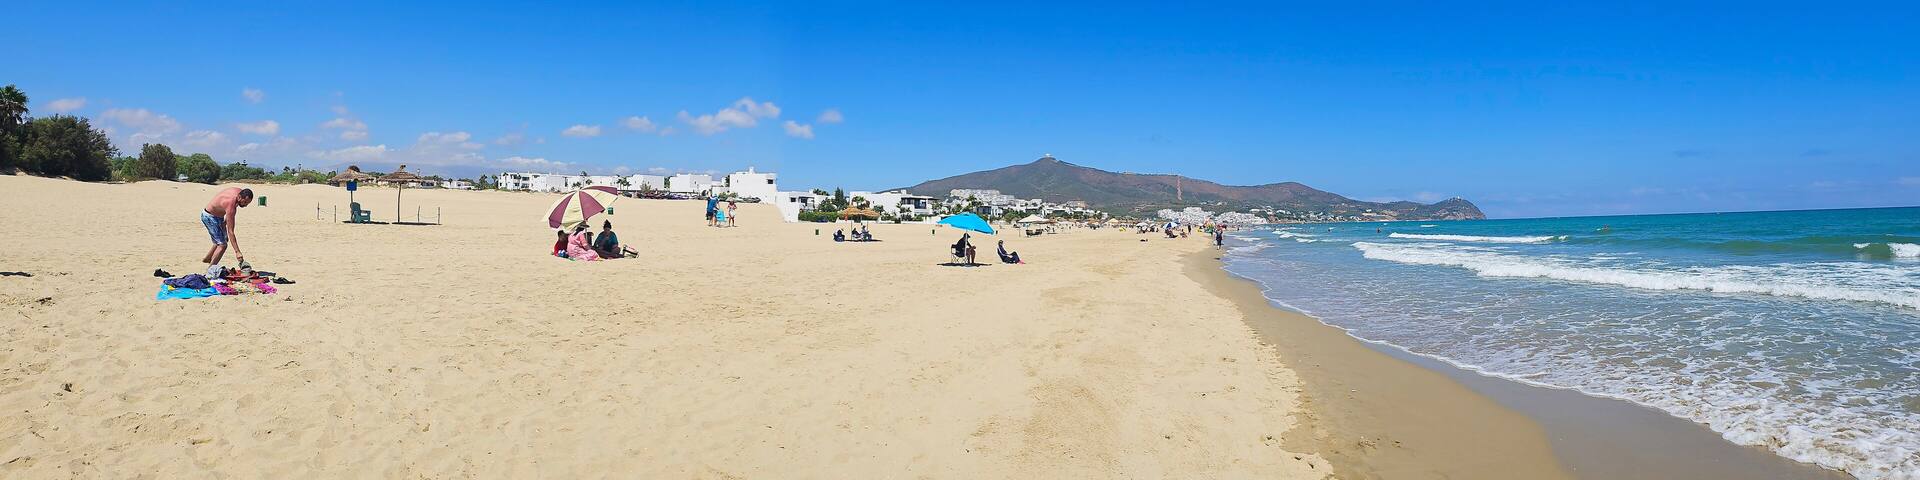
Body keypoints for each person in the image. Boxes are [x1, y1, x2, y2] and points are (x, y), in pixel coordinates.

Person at [200, 187, 254, 277]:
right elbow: (231, 231)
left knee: (222, 239)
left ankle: (208, 258)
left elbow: (225, 209)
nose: (245, 205)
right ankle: (209, 272)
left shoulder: (239, 193)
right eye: (244, 202)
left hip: (218, 216)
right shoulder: (231, 204)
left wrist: (224, 222)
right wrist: (237, 252)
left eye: (247, 203)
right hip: (209, 217)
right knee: (222, 245)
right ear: (240, 197)